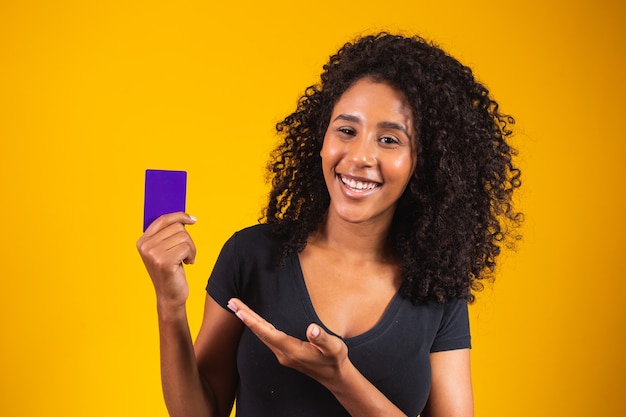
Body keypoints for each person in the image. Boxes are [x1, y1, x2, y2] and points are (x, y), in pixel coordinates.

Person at [137, 32, 522, 417]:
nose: (359, 156)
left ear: (425, 161)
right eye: (347, 130)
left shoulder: (437, 291)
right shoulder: (251, 255)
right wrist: (170, 306)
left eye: (389, 139)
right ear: (321, 139)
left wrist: (342, 379)